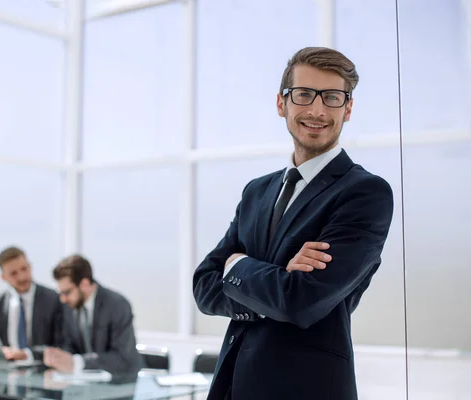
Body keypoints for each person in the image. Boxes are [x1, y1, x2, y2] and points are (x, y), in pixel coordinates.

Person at [192, 47, 394, 400]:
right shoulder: (257, 191)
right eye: (303, 94)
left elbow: (301, 301)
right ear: (281, 103)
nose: (317, 110)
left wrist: (238, 266)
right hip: (232, 387)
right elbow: (204, 286)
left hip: (308, 388)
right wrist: (278, 278)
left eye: (332, 97)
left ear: (347, 109)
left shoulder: (365, 193)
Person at [43, 254, 142, 374]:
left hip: (121, 382)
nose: (63, 299)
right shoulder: (69, 307)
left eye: (67, 292)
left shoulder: (117, 305)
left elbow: (122, 358)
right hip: (85, 383)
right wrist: (59, 357)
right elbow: (70, 345)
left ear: (84, 284)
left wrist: (78, 362)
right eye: (61, 293)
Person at [0, 246, 63, 362]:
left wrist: (27, 355)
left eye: (24, 269)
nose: (22, 277)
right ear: (3, 277)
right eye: (13, 273)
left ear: (30, 266)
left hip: (42, 370)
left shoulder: (53, 299)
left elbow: (62, 345)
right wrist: (0, 350)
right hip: (6, 369)